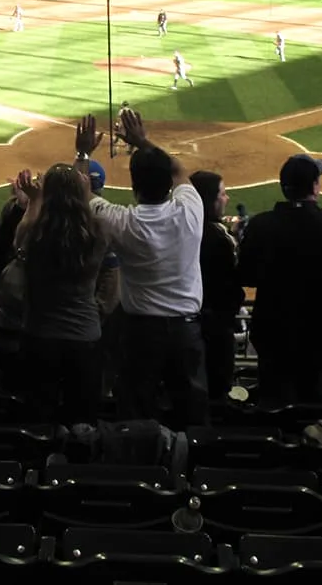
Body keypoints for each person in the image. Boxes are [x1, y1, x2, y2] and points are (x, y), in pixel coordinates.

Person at [84, 109, 208, 428]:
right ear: (168, 185)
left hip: (141, 334)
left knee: (136, 412)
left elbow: (78, 191)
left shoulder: (123, 221)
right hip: (186, 331)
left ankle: (140, 470)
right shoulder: (190, 211)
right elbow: (178, 169)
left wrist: (82, 152)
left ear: (134, 185)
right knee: (192, 413)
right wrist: (142, 142)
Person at [238, 154, 322, 407]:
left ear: (283, 187)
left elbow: (246, 276)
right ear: (315, 186)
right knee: (314, 403)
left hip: (274, 335)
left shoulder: (261, 226)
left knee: (272, 402)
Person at [16, 162, 109, 425]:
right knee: (82, 422)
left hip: (40, 335)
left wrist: (35, 200)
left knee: (39, 418)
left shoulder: (34, 232)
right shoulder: (99, 230)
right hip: (85, 337)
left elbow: (19, 241)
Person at [191, 170, 241, 402]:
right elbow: (235, 282)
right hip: (217, 326)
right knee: (217, 389)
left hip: (185, 324)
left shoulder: (182, 229)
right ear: (209, 200)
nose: (226, 198)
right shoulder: (221, 238)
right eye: (222, 194)